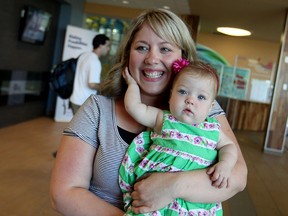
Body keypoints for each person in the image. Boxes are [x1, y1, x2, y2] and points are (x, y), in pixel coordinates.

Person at [49, 8, 247, 216]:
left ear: (183, 59)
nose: (152, 59)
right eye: (142, 47)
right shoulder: (97, 109)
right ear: (127, 56)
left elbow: (237, 177)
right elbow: (63, 193)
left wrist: (173, 185)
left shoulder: (201, 107)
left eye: (165, 49)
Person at [119, 60, 238, 215]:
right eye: (182, 92)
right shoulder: (164, 119)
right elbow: (134, 107)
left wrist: (226, 164)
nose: (190, 100)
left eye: (201, 97)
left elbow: (229, 146)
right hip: (155, 199)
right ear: (170, 96)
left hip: (193, 203)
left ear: (211, 107)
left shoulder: (213, 129)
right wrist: (132, 85)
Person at [69, 34, 110, 114]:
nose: (108, 49)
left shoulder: (84, 55)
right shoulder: (95, 61)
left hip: (75, 99)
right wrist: (106, 87)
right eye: (107, 46)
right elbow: (92, 84)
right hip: (83, 102)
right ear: (101, 45)